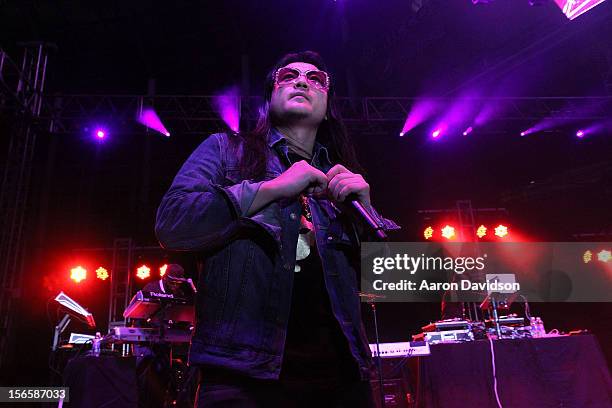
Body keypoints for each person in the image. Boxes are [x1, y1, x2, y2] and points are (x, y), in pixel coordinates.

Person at [155, 50, 399, 407]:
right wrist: (271, 188)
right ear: (269, 98)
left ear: (328, 105)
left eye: (316, 79)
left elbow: (391, 285)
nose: (302, 81)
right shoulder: (225, 152)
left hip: (342, 379)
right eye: (289, 76)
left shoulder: (341, 181)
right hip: (244, 378)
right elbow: (172, 223)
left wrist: (369, 214)